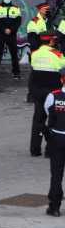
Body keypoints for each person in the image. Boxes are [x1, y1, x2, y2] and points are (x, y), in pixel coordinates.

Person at [29, 31, 65, 157]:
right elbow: (63, 67)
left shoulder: (34, 54)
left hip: (38, 91)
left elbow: (33, 70)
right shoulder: (57, 54)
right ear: (51, 41)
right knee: (53, 121)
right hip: (53, 92)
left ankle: (35, 149)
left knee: (38, 119)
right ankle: (50, 150)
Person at [44, 67, 65, 217]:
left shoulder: (54, 96)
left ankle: (55, 207)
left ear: (62, 79)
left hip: (57, 138)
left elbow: (47, 111)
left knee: (56, 174)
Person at [0, 0, 23, 80]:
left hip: (11, 34)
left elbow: (18, 21)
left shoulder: (16, 8)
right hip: (0, 34)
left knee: (14, 54)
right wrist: (3, 29)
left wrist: (11, 30)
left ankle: (16, 73)